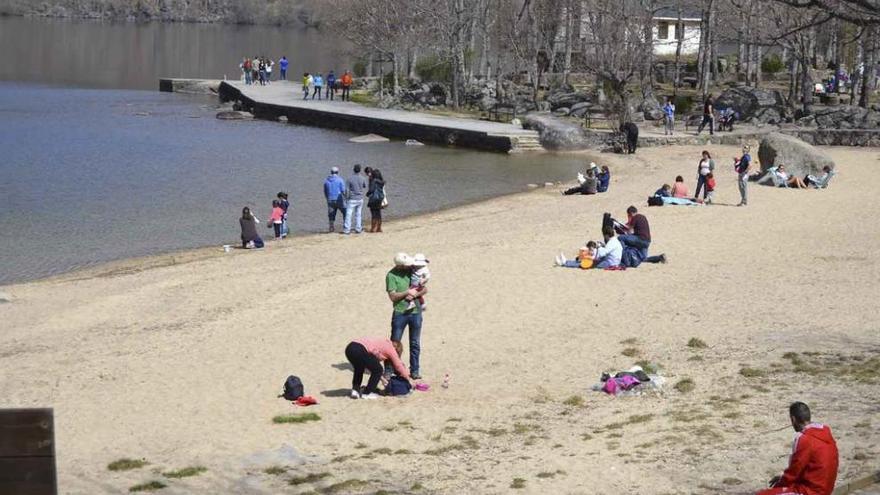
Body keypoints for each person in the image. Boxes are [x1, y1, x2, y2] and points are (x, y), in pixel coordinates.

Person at [757, 402, 838, 495]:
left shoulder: (804, 439)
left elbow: (794, 471)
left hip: (811, 491)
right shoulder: (825, 433)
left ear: (793, 419)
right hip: (826, 488)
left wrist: (778, 486)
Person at [386, 253, 427, 380]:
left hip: (415, 312)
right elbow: (392, 296)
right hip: (400, 312)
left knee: (415, 343)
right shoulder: (391, 275)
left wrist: (414, 295)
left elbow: (424, 290)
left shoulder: (412, 271)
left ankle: (414, 370)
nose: (409, 266)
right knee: (394, 343)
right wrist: (406, 293)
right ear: (400, 266)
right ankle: (389, 370)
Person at [345, 337, 412, 400]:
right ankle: (367, 393)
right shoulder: (390, 348)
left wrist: (382, 379)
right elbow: (398, 365)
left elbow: (371, 368)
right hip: (359, 348)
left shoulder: (382, 344)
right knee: (378, 369)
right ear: (396, 347)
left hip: (350, 348)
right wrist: (408, 379)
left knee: (359, 368)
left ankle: (355, 391)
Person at [343, 164, 368, 234]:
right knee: (358, 214)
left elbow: (346, 190)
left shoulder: (349, 178)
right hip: (360, 198)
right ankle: (358, 228)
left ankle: (347, 229)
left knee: (349, 214)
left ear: (353, 169)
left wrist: (346, 198)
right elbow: (364, 186)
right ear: (360, 170)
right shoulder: (362, 178)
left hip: (352, 199)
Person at [323, 166, 347, 233]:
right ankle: (345, 226)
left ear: (331, 172)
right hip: (339, 199)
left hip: (330, 199)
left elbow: (325, 191)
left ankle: (331, 228)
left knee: (331, 214)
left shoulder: (326, 181)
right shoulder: (340, 180)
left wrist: (327, 198)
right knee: (345, 212)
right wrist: (346, 198)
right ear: (337, 172)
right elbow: (343, 190)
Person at [366, 167, 386, 233]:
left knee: (373, 214)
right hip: (380, 198)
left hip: (374, 199)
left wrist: (367, 194)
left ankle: (373, 228)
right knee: (379, 214)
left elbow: (371, 190)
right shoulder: (382, 181)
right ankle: (379, 228)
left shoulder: (374, 181)